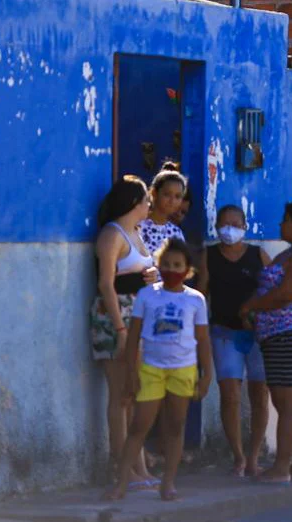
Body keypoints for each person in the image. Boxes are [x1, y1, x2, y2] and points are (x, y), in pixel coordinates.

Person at [105, 239, 212, 501]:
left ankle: (168, 482)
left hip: (183, 370)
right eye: (166, 264)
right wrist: (131, 374)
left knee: (175, 428)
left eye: (177, 265)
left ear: (188, 270)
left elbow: (203, 339)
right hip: (151, 369)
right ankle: (122, 483)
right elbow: (133, 338)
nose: (170, 269)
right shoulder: (147, 295)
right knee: (140, 425)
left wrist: (206, 374)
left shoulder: (196, 300)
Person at [240, 201, 292, 483]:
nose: (280, 225)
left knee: (286, 404)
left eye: (285, 220)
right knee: (291, 403)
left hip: (289, 333)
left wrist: (249, 306)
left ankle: (281, 467)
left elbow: (287, 293)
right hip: (278, 335)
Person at [92, 176, 159, 489]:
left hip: (139, 318)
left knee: (134, 395)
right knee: (120, 396)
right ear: (135, 202)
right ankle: (123, 468)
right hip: (116, 317)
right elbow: (106, 282)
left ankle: (139, 467)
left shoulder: (136, 232)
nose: (150, 205)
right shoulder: (111, 234)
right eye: (146, 199)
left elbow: (139, 271)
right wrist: (119, 328)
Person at [197, 205, 271, 477]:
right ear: (216, 227)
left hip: (258, 334)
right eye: (224, 223)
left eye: (235, 223)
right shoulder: (209, 256)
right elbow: (201, 294)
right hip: (223, 333)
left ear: (245, 226)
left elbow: (273, 290)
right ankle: (238, 457)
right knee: (230, 395)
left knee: (259, 395)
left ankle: (253, 457)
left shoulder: (258, 255)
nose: (229, 228)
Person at [139, 163, 187, 255]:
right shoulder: (138, 227)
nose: (172, 201)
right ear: (154, 193)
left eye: (178, 196)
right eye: (167, 194)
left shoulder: (176, 233)